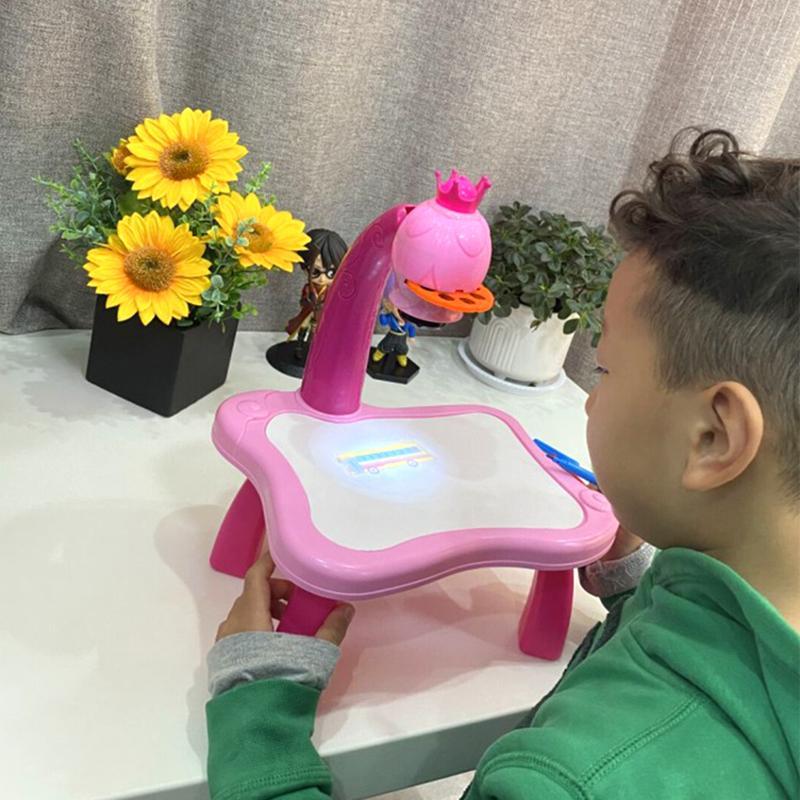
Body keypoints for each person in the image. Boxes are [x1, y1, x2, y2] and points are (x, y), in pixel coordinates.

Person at [205, 129, 800, 799]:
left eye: (604, 370)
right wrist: (635, 587)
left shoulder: (576, 780)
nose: (590, 399)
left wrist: (255, 706)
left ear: (713, 438)